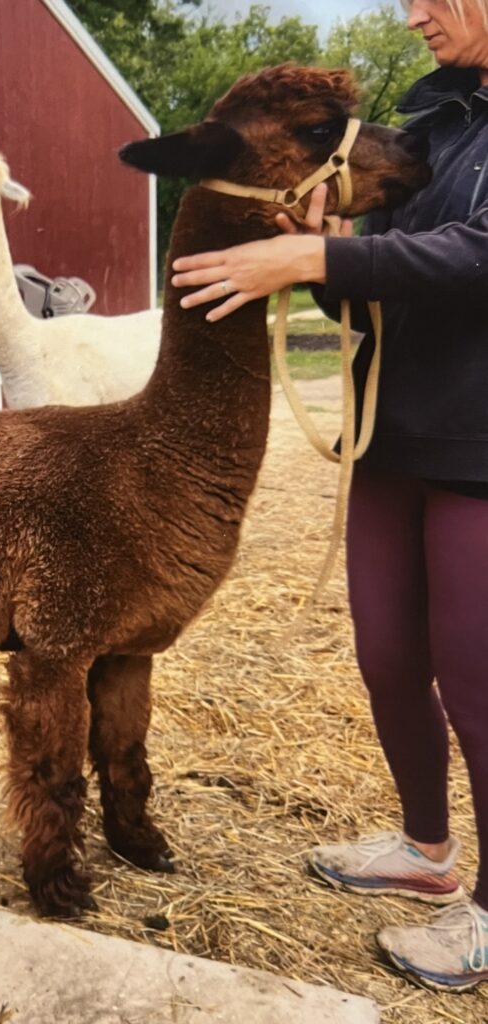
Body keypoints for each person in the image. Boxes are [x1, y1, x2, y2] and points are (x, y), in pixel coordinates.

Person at [172, 0, 488, 993]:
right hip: (391, 432)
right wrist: (320, 255)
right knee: (388, 657)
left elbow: (479, 257)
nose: (415, 14)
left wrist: (316, 256)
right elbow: (373, 287)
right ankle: (425, 849)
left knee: (478, 687)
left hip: (479, 446)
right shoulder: (433, 120)